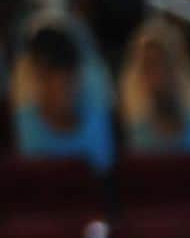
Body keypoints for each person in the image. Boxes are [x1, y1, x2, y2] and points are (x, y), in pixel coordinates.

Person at [11, 17, 114, 171]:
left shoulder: (95, 118)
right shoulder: (24, 122)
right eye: (43, 76)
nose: (58, 89)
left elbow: (103, 171)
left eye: (66, 81)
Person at [118, 16, 190, 161]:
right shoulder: (132, 136)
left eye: (164, 64)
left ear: (177, 70)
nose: (158, 74)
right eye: (150, 66)